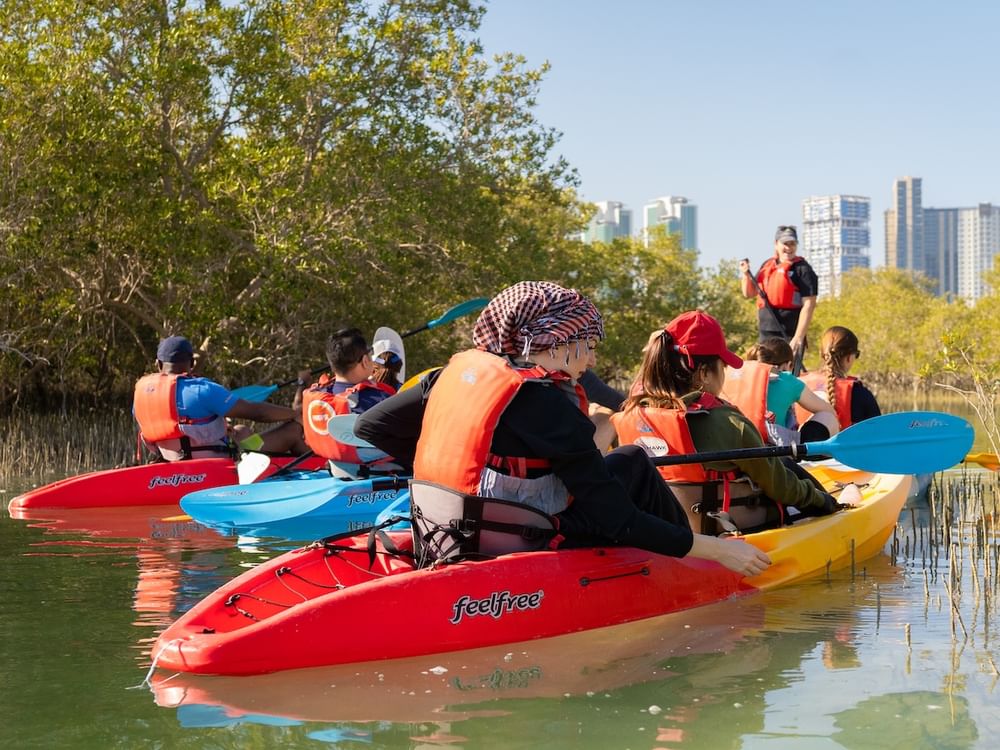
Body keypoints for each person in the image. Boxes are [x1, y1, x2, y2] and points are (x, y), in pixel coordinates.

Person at [356, 281, 771, 577]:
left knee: (625, 458)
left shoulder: (446, 376)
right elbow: (618, 518)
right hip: (525, 534)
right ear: (557, 341)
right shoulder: (549, 405)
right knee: (633, 463)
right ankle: (683, 569)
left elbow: (370, 426)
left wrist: (450, 460)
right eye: (588, 344)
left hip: (448, 527)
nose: (590, 359)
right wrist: (717, 550)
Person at [612, 311, 843, 535]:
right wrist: (823, 501)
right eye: (722, 366)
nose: (723, 374)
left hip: (664, 533)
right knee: (787, 471)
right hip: (727, 533)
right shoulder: (728, 423)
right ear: (703, 373)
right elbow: (781, 487)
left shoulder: (633, 413)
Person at [133, 335, 306, 462]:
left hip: (171, 462)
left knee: (240, 430)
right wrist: (294, 414)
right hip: (220, 462)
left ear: (158, 364)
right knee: (293, 430)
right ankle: (315, 469)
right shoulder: (201, 389)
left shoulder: (141, 394)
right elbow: (258, 413)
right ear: (192, 363)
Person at [296, 327, 399, 474]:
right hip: (379, 471)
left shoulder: (318, 394)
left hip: (335, 466)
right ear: (364, 361)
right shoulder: (380, 399)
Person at [727, 337, 838, 445]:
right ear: (789, 365)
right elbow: (828, 411)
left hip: (735, 442)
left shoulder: (738, 377)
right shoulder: (787, 380)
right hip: (776, 449)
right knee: (827, 417)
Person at [739, 225, 818, 360]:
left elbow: (809, 305)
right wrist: (745, 275)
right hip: (766, 333)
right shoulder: (767, 265)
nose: (789, 247)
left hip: (789, 333)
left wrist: (798, 337)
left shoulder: (803, 270)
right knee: (766, 374)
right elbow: (749, 293)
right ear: (776, 244)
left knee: (787, 373)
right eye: (785, 243)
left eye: (792, 243)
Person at [795, 326, 881, 430]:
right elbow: (878, 431)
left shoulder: (797, 384)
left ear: (821, 354)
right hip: (843, 446)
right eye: (856, 355)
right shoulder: (859, 393)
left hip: (800, 445)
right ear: (849, 358)